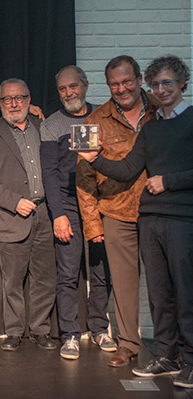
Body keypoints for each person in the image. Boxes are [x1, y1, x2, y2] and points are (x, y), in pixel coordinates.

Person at [77, 55, 193, 389]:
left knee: (182, 289)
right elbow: (110, 172)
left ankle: (186, 356)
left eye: (166, 83)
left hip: (175, 214)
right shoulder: (125, 123)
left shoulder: (174, 114)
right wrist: (94, 160)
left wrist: (169, 182)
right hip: (133, 214)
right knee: (149, 291)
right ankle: (150, 350)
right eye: (114, 83)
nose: (161, 89)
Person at [76, 55, 158, 367]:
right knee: (123, 285)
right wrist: (93, 225)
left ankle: (172, 345)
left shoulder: (160, 112)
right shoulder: (95, 119)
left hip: (158, 211)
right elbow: (84, 177)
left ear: (139, 79)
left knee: (167, 283)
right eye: (114, 84)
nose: (121, 88)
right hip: (116, 212)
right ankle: (129, 344)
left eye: (127, 81)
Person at [40, 65, 115, 360]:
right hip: (68, 203)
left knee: (100, 271)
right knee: (68, 272)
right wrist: (58, 214)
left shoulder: (103, 117)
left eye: (73, 86)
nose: (68, 93)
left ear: (84, 85)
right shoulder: (51, 125)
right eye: (62, 89)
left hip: (102, 203)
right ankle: (70, 334)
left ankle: (98, 329)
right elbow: (49, 172)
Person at [0, 78, 56, 352]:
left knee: (44, 277)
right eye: (8, 99)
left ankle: (41, 330)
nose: (14, 104)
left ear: (28, 99)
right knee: (11, 281)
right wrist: (15, 202)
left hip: (45, 213)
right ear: (0, 103)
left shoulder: (42, 126)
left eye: (19, 98)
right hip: (12, 217)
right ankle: (13, 332)